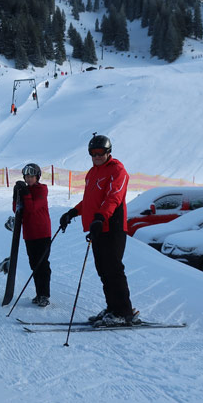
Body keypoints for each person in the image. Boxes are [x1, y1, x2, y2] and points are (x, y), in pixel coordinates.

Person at [59, 133, 136, 327]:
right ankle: (112, 308)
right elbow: (90, 201)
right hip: (98, 227)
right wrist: (73, 212)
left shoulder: (117, 171)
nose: (97, 156)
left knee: (113, 269)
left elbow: (114, 198)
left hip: (113, 225)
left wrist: (101, 217)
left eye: (100, 152)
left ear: (108, 152)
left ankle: (123, 312)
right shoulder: (92, 173)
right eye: (93, 153)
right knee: (103, 270)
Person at [12, 164, 52, 307]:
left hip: (42, 233)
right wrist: (16, 195)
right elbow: (17, 210)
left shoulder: (42, 189)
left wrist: (25, 193)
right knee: (34, 264)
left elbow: (32, 208)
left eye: (31, 176)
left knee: (42, 264)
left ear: (37, 177)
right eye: (26, 177)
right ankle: (39, 293)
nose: (28, 179)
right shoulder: (26, 191)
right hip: (29, 234)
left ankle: (44, 294)